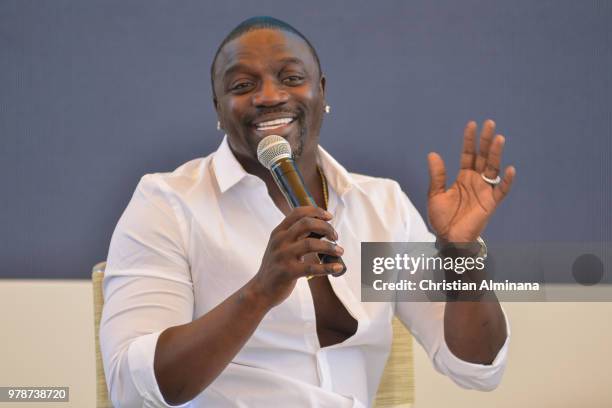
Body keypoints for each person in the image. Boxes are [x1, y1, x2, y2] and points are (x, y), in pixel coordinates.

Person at [100, 16, 515, 408]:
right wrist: (259, 292)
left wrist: (462, 255)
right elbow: (130, 388)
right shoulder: (169, 204)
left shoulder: (380, 206)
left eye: (291, 78)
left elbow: (475, 367)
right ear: (218, 109)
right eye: (243, 84)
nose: (269, 96)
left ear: (322, 92)